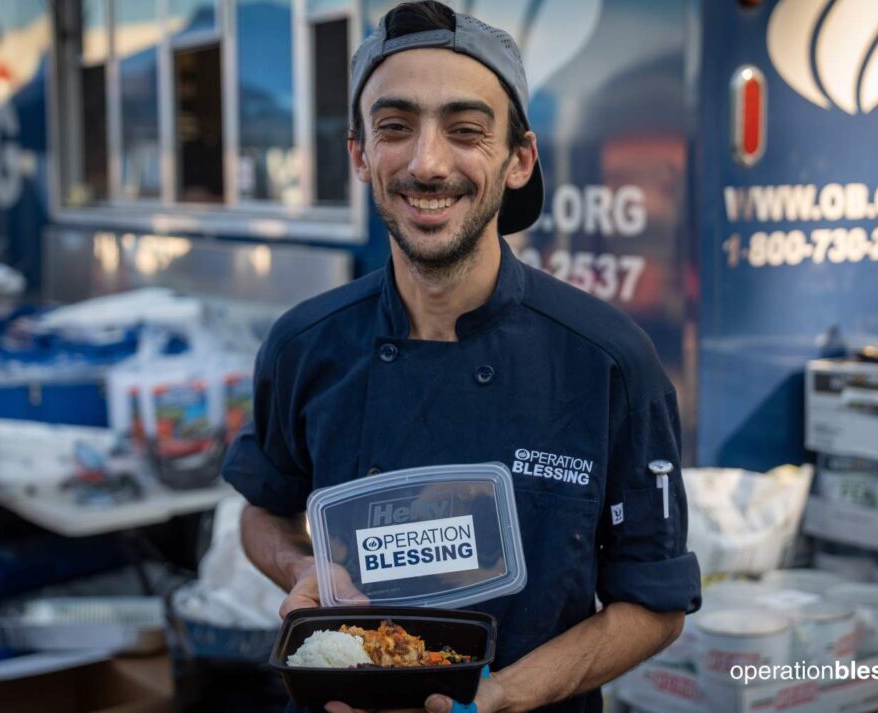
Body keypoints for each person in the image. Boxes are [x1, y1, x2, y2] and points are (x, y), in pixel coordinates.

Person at [222, 3, 701, 712]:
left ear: (518, 160)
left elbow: (654, 602)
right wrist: (302, 567)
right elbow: (265, 512)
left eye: (466, 131)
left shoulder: (608, 362)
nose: (427, 163)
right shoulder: (304, 345)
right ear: (358, 154)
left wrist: (503, 693)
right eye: (395, 127)